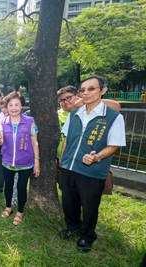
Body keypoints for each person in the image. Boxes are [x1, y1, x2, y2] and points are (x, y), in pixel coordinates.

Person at [59, 75, 126, 252]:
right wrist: (63, 160)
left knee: (89, 206)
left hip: (92, 170)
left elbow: (114, 145)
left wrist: (97, 157)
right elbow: (66, 139)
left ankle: (87, 236)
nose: (86, 93)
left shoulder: (112, 117)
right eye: (83, 90)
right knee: (68, 202)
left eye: (91, 89)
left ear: (102, 91)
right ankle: (72, 226)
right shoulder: (74, 114)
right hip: (69, 167)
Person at [0, 92, 40, 226]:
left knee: (21, 187)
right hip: (7, 162)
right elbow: (0, 139)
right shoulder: (3, 122)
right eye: (10, 105)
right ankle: (8, 207)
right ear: (6, 107)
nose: (14, 108)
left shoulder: (29, 121)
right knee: (8, 186)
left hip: (26, 163)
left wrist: (37, 162)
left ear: (21, 106)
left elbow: (35, 143)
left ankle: (20, 211)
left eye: (17, 105)